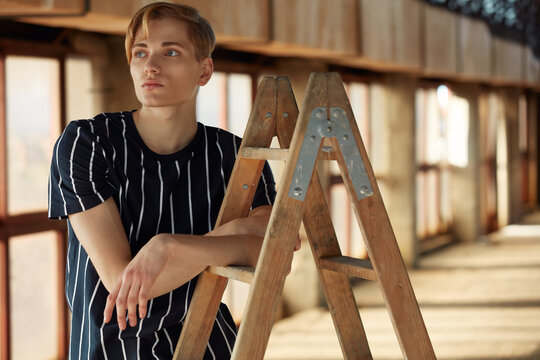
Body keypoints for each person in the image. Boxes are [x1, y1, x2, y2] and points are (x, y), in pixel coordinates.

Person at [48, 2, 290, 359]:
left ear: (204, 71)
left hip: (208, 343)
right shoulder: (88, 142)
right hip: (112, 350)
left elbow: (275, 252)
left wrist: (170, 247)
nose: (151, 65)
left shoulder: (233, 153)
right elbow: (125, 283)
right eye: (140, 53)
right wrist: (227, 239)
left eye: (171, 51)